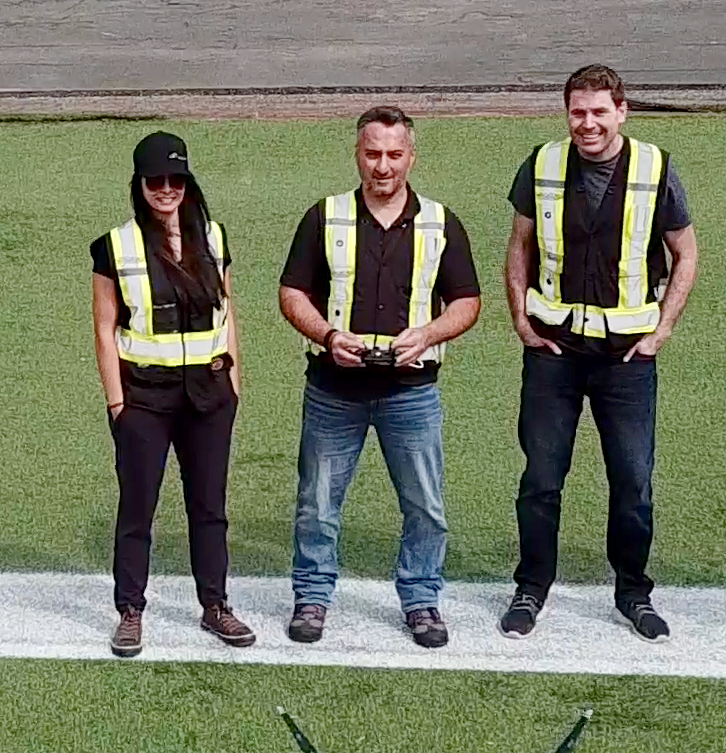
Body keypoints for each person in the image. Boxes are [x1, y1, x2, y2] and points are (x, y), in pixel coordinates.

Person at [500, 62, 700, 640]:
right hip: (554, 352)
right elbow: (519, 246)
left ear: (622, 111)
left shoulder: (654, 168)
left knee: (633, 481)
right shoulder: (540, 165)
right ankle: (531, 586)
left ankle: (633, 591)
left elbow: (686, 253)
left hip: (626, 360)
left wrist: (661, 331)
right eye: (577, 112)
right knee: (541, 477)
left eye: (598, 112)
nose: (587, 123)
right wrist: (520, 316)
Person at [276, 106, 484, 647]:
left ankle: (421, 601)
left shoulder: (442, 222)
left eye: (394, 154)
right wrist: (328, 336)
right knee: (317, 504)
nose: (383, 166)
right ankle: (312, 598)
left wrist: (430, 335)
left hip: (410, 393)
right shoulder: (323, 216)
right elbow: (292, 293)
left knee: (425, 505)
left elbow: (467, 302)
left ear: (412, 157)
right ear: (357, 154)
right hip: (333, 389)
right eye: (373, 154)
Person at [90, 130, 256, 658]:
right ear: (139, 185)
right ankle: (130, 610)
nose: (167, 189)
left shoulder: (215, 237)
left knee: (210, 507)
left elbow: (229, 311)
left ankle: (215, 606)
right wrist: (117, 403)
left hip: (208, 396)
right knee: (137, 508)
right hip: (144, 399)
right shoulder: (114, 247)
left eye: (176, 179)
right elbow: (104, 328)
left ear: (187, 181)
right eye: (156, 180)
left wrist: (235, 381)